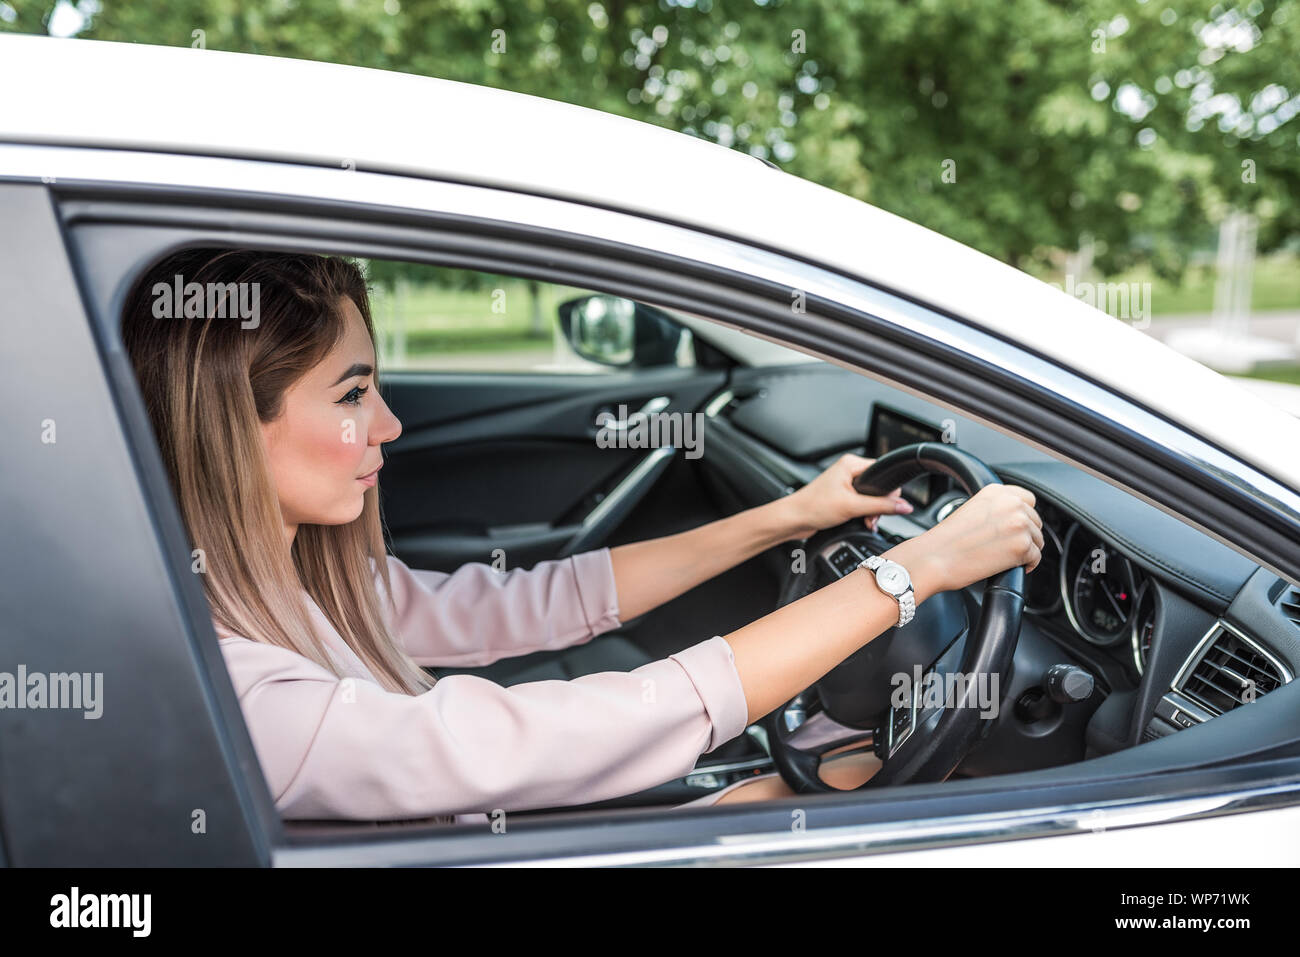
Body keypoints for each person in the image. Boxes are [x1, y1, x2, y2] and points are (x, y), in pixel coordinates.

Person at [121, 247, 1043, 824]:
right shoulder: (236, 689)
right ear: (232, 428)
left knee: (834, 789)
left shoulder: (304, 586)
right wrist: (911, 572)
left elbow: (542, 601)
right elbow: (543, 738)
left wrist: (790, 514)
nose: (391, 425)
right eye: (354, 395)